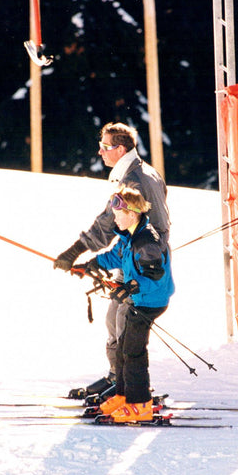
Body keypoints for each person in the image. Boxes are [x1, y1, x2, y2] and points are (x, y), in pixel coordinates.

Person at [53, 122, 169, 400]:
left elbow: (109, 223)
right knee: (113, 319)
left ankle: (128, 388)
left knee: (124, 323)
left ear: (121, 148)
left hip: (144, 263)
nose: (100, 151)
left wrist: (74, 251)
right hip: (132, 255)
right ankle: (117, 378)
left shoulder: (134, 181)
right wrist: (95, 263)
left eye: (105, 147)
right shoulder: (138, 171)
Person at [73, 186, 174, 422]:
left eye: (118, 214)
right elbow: (113, 256)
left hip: (150, 302)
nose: (114, 218)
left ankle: (141, 404)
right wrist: (89, 265)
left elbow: (155, 276)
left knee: (133, 352)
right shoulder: (129, 236)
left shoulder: (146, 241)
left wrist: (129, 288)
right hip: (139, 299)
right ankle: (124, 395)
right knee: (122, 347)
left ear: (131, 213)